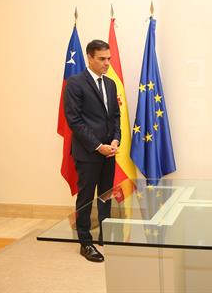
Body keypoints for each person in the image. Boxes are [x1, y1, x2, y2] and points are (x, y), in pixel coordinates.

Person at [64, 39, 121, 262]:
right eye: (102, 59)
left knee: (106, 195)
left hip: (110, 151)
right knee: (86, 197)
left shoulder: (110, 84)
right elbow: (74, 121)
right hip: (89, 152)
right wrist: (98, 146)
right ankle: (85, 243)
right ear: (89, 57)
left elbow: (115, 116)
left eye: (109, 58)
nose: (107, 63)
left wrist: (116, 139)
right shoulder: (75, 83)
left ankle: (105, 235)